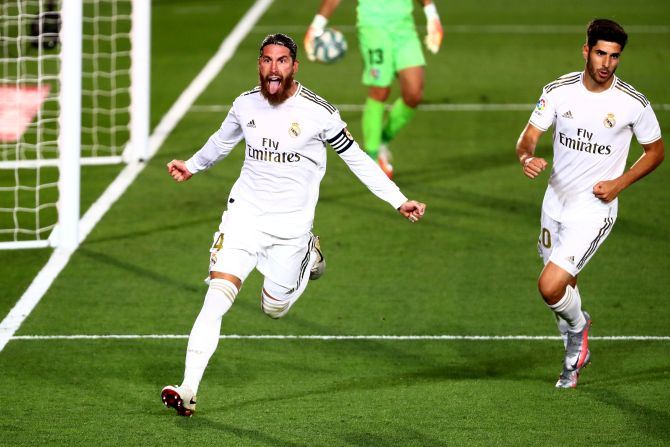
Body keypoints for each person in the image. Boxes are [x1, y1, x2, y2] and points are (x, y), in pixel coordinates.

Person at [161, 33, 426, 416]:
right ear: (259, 64)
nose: (273, 68)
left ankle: (308, 254)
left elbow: (358, 160)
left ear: (294, 66)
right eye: (266, 60)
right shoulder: (244, 105)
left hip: (290, 229)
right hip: (244, 218)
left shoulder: (319, 112)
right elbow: (222, 141)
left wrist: (398, 199)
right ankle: (188, 388)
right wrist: (193, 165)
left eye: (281, 61)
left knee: (274, 308)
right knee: (216, 296)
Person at [515, 19, 664, 388]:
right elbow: (528, 137)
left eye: (614, 56)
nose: (606, 63)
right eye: (600, 53)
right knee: (566, 286)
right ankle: (572, 360)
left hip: (594, 209)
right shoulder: (558, 91)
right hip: (555, 202)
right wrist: (525, 157)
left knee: (550, 286)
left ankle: (579, 335)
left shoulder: (633, 103)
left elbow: (655, 152)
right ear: (586, 50)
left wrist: (620, 183)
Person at [304, 0, 443, 178]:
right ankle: (372, 156)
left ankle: (382, 139)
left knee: (414, 94)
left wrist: (432, 15)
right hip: (373, 28)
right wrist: (316, 26)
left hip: (404, 28)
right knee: (380, 90)